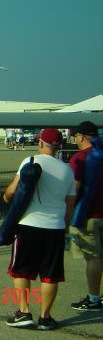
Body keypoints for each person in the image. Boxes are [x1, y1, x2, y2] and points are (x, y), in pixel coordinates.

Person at [3, 128, 76, 330]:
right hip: (55, 226)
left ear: (41, 142)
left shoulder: (30, 162)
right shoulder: (67, 170)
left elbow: (14, 189)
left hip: (28, 223)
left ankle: (24, 312)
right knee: (50, 274)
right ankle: (45, 316)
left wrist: (7, 196)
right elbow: (70, 205)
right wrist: (66, 227)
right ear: (59, 146)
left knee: (21, 271)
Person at [68, 121, 103, 311]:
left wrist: (68, 213)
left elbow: (76, 187)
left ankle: (94, 298)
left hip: (89, 215)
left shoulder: (79, 158)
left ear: (81, 137)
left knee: (93, 258)